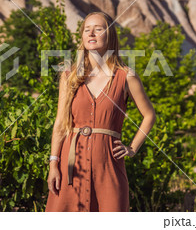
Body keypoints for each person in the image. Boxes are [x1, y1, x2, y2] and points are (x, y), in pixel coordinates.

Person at [45, 11, 156, 212]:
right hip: (71, 165)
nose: (92, 34)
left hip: (109, 166)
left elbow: (149, 115)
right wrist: (53, 163)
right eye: (87, 30)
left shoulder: (126, 77)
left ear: (110, 36)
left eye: (98, 29)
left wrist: (132, 148)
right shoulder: (69, 76)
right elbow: (61, 124)